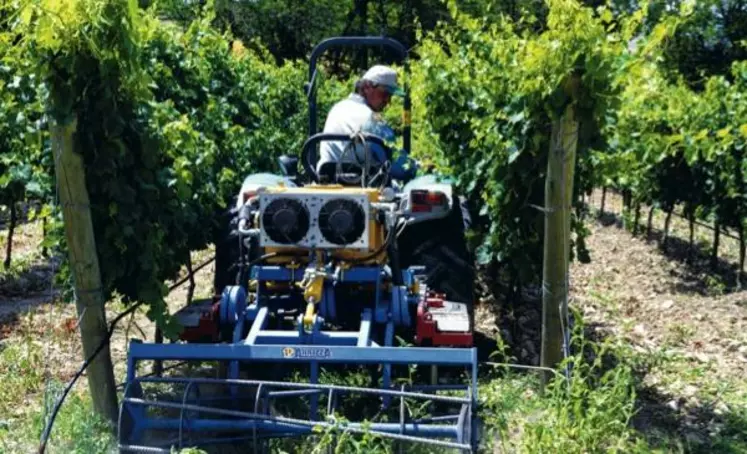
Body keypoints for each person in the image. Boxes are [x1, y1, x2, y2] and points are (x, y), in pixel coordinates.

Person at [316, 64, 417, 184]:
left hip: (326, 182)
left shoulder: (336, 109)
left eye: (390, 96)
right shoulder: (373, 120)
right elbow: (400, 167)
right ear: (367, 87)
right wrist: (417, 167)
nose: (388, 101)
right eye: (385, 94)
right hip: (362, 187)